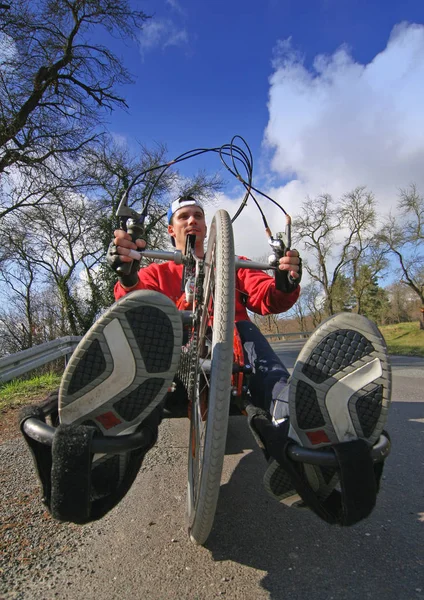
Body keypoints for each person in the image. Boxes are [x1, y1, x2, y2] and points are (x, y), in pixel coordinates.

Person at [21, 196, 391, 526]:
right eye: (184, 216)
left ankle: (297, 429)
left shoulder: (235, 263)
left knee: (265, 365)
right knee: (151, 339)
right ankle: (111, 434)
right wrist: (129, 272)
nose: (193, 220)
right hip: (175, 352)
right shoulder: (157, 269)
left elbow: (267, 298)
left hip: (233, 341)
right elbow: (135, 302)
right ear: (170, 230)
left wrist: (283, 281)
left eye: (198, 214)